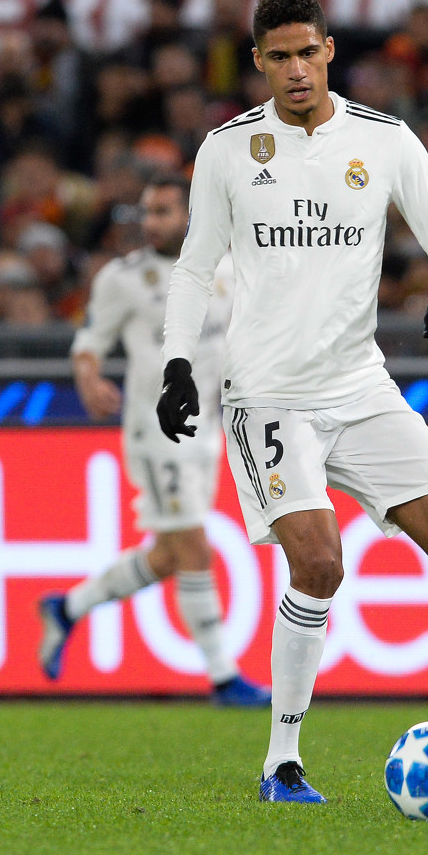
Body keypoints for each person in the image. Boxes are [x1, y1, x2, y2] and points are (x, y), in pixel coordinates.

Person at [155, 0, 428, 803]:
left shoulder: (384, 140)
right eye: (280, 57)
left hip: (359, 387)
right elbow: (195, 269)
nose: (296, 70)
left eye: (308, 52)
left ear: (329, 51)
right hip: (268, 396)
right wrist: (176, 364)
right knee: (318, 562)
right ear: (258, 62)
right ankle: (281, 762)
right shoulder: (227, 150)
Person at [37, 172, 271, 708]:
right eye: (147, 211)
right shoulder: (123, 279)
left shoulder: (229, 269)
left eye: (163, 211)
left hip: (208, 431)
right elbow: (89, 341)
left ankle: (67, 609)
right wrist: (89, 378)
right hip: (156, 432)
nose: (151, 222)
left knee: (169, 555)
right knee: (194, 546)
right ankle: (224, 678)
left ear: (193, 215)